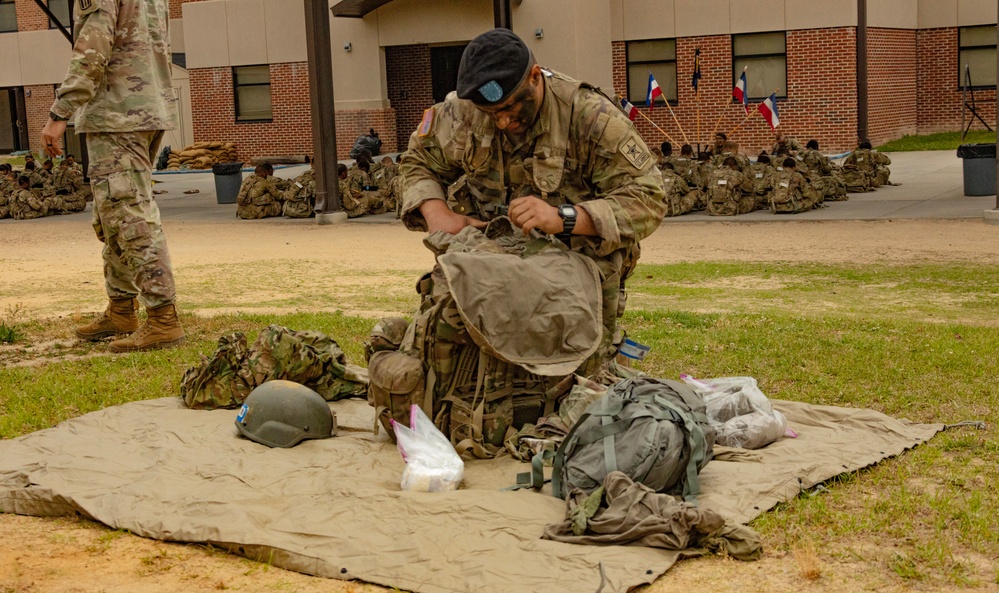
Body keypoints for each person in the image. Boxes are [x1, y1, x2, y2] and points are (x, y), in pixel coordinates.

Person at [397, 28, 666, 369]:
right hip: (490, 265)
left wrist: (565, 217)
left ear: (535, 78)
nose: (503, 122)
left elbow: (649, 197)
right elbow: (417, 159)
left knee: (572, 378)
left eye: (510, 108)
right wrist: (437, 214)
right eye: (492, 114)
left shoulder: (589, 117)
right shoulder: (462, 112)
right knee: (474, 369)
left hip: (575, 271)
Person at [42, 0, 185, 352]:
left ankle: (163, 318)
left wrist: (60, 111)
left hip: (117, 114)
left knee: (128, 215)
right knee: (112, 215)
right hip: (147, 108)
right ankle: (121, 308)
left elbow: (93, 46)